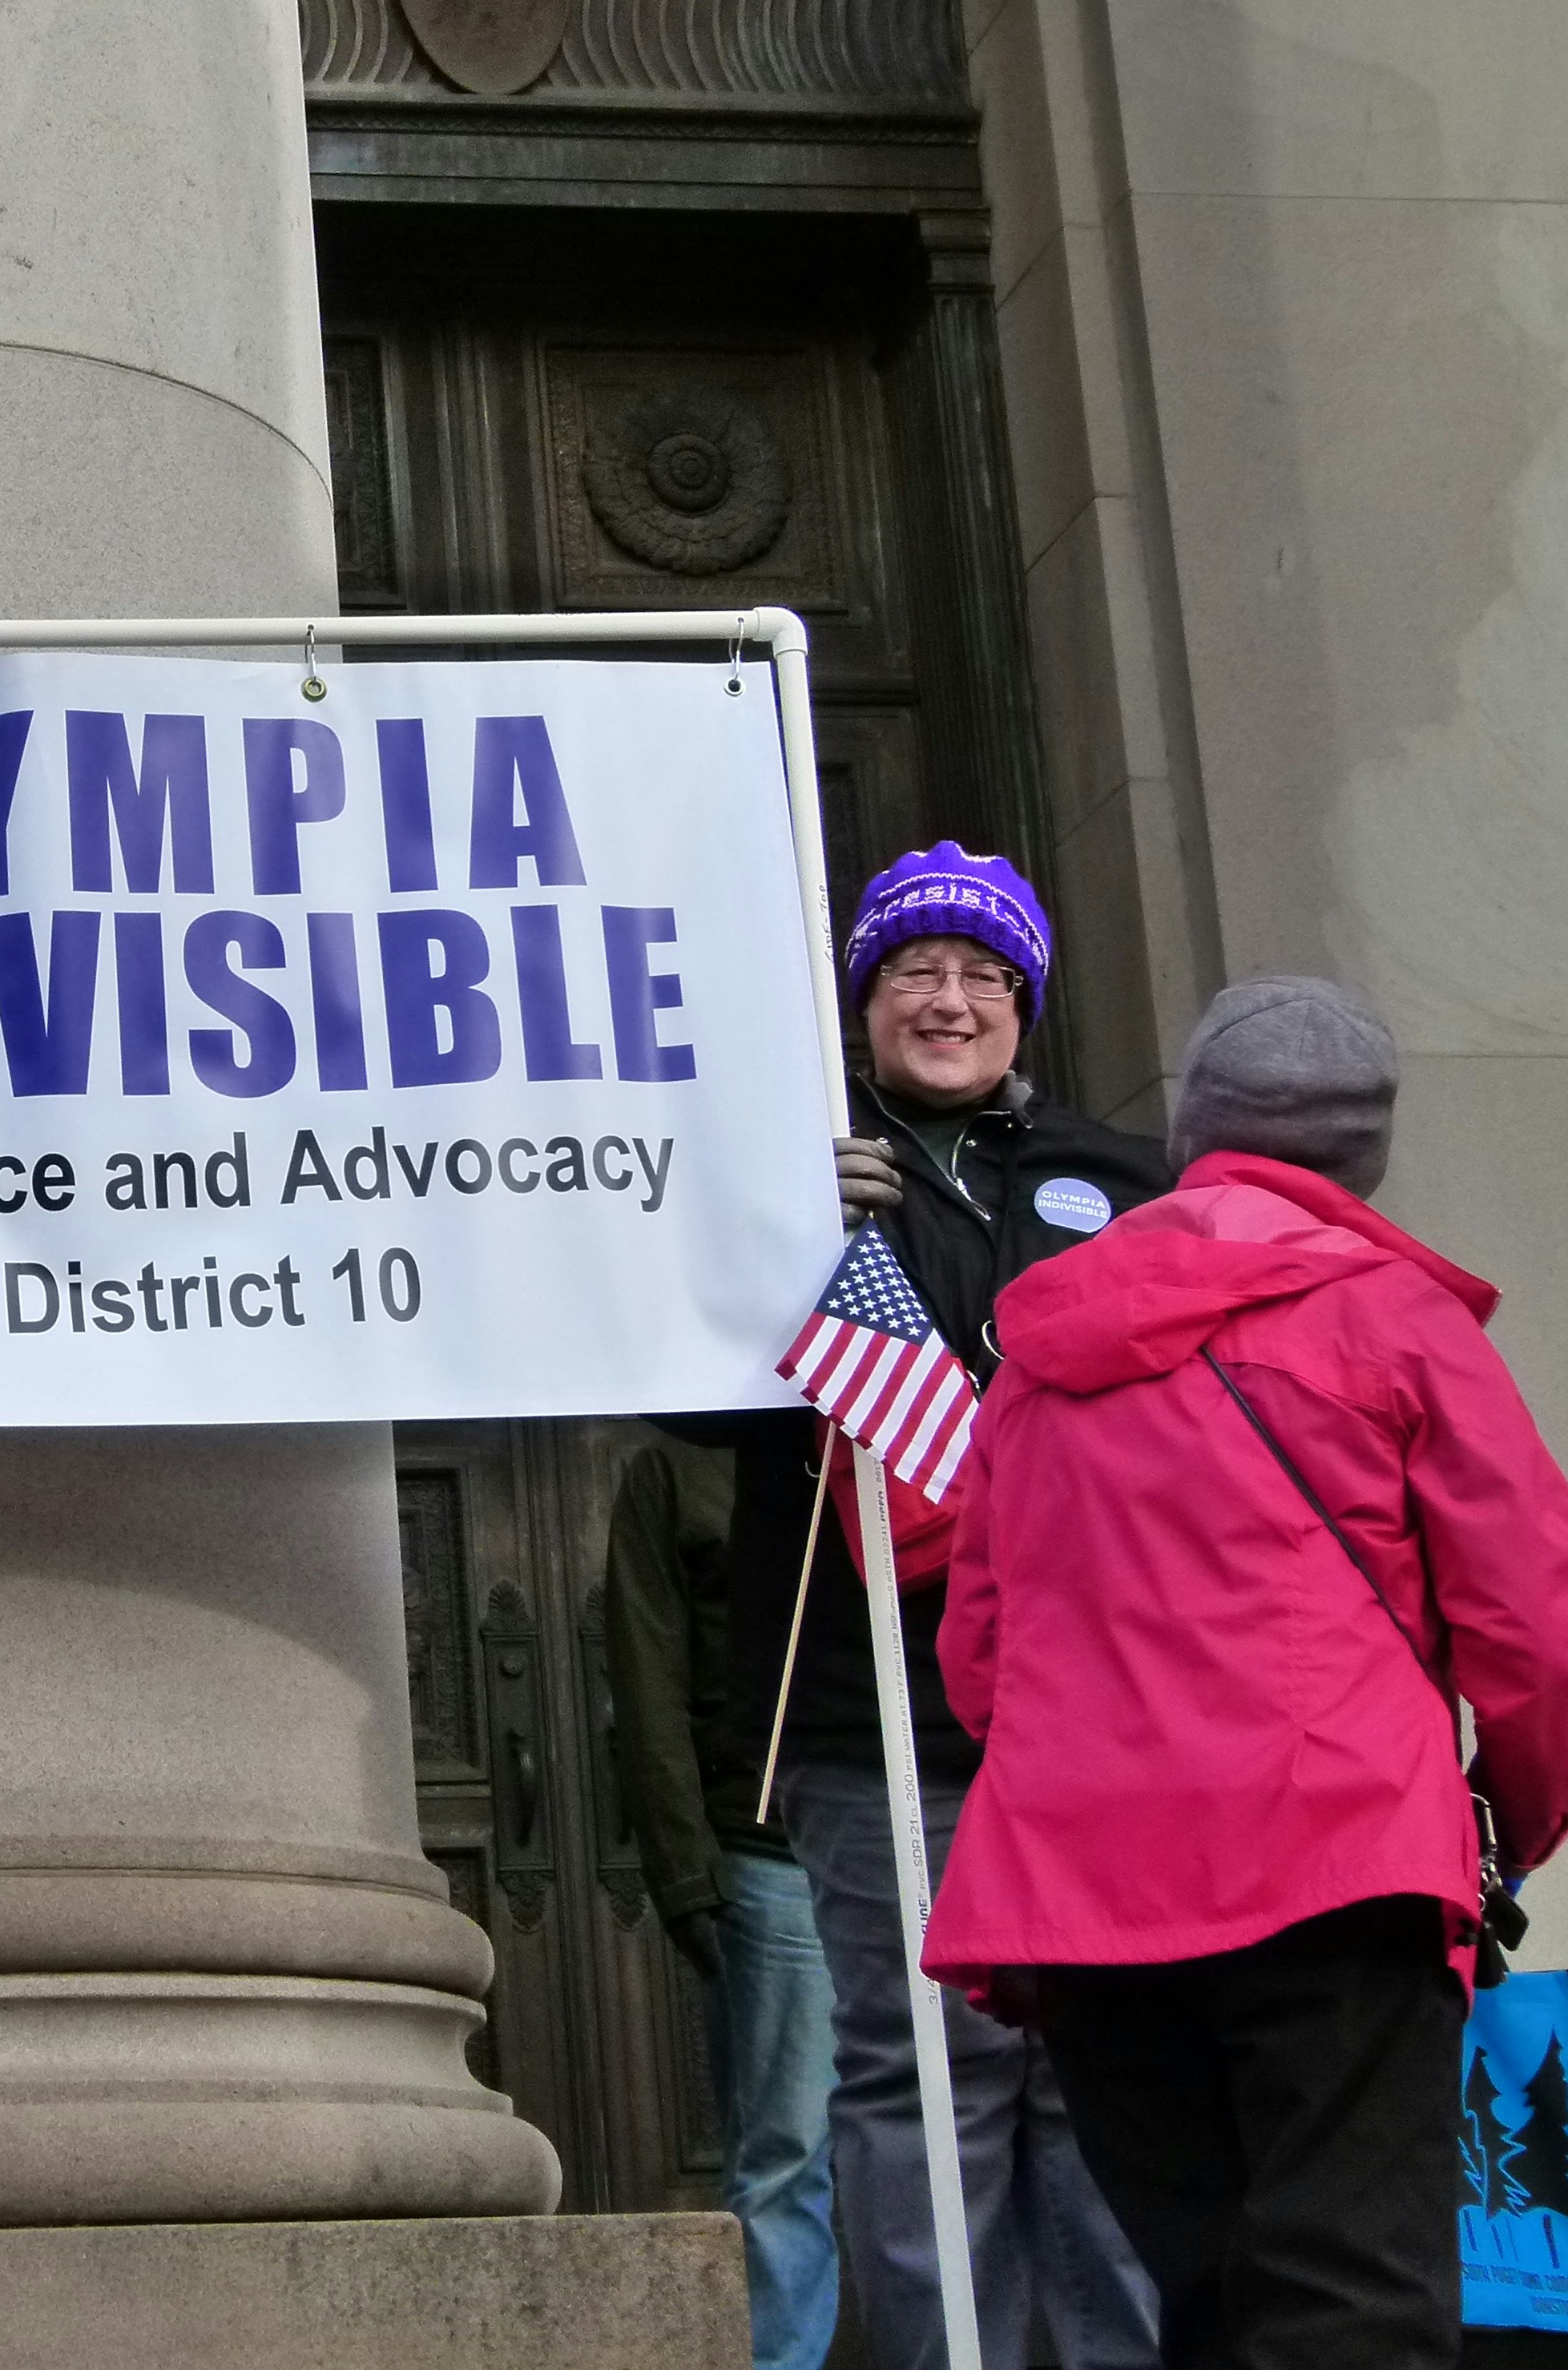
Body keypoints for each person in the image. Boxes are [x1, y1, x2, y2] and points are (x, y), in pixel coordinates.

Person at [925, 977, 1568, 2369]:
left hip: (1086, 1898)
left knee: (1215, 2305)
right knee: (1353, 2304)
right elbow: (1541, 1617)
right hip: (1334, 1861)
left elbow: (980, 1655)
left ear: (1197, 1129)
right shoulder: (1393, 1319)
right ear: (1363, 1152)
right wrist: (1514, 1816)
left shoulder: (1041, 1346)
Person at [738, 840, 1166, 2370]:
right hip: (886, 1718)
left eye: (984, 973)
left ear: (1027, 1008)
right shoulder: (776, 1171)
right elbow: (684, 1394)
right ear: (862, 1002)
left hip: (1100, 1708)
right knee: (926, 2070)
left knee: (1104, 2067)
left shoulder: (1127, 1181)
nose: (948, 997)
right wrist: (786, 1241)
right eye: (914, 968)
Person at [602, 1425, 839, 2370]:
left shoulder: (883, 1412)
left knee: (957, 2138)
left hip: (921, 1830)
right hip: (767, 1847)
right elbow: (644, 1671)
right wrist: (684, 1866)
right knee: (787, 2153)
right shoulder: (673, 1459)